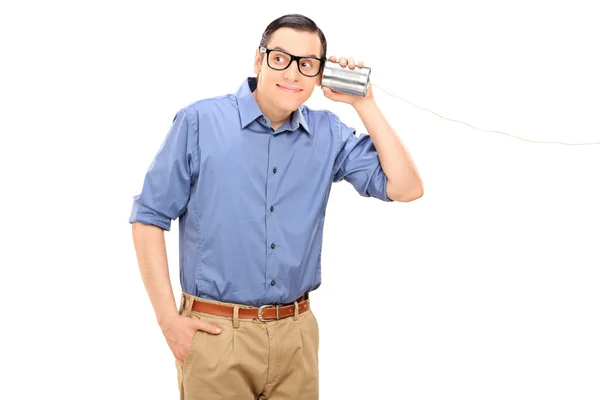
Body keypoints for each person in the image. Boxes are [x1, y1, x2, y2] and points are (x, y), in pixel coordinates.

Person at [129, 13, 423, 400]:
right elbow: (149, 216)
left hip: (296, 335)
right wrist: (168, 319)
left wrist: (363, 102)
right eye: (281, 58)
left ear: (320, 74)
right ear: (259, 60)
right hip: (216, 334)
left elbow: (406, 187)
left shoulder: (327, 134)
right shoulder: (200, 121)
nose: (293, 74)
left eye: (308, 64)